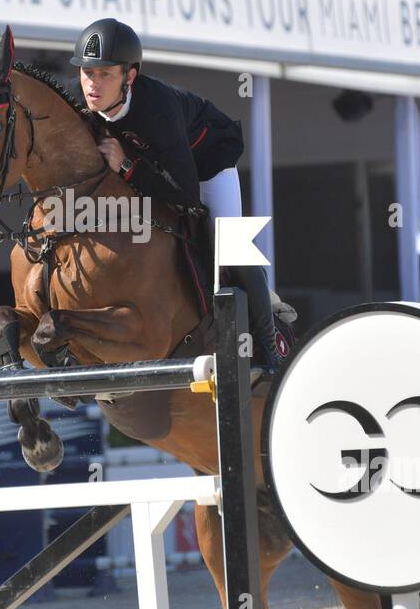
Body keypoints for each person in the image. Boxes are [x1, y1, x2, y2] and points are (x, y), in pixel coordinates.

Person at [64, 18, 285, 367]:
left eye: (106, 74)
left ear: (129, 77)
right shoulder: (82, 97)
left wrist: (126, 167)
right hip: (155, 166)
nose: (93, 84)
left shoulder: (158, 109)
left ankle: (273, 350)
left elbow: (185, 196)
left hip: (205, 166)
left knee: (230, 245)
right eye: (88, 73)